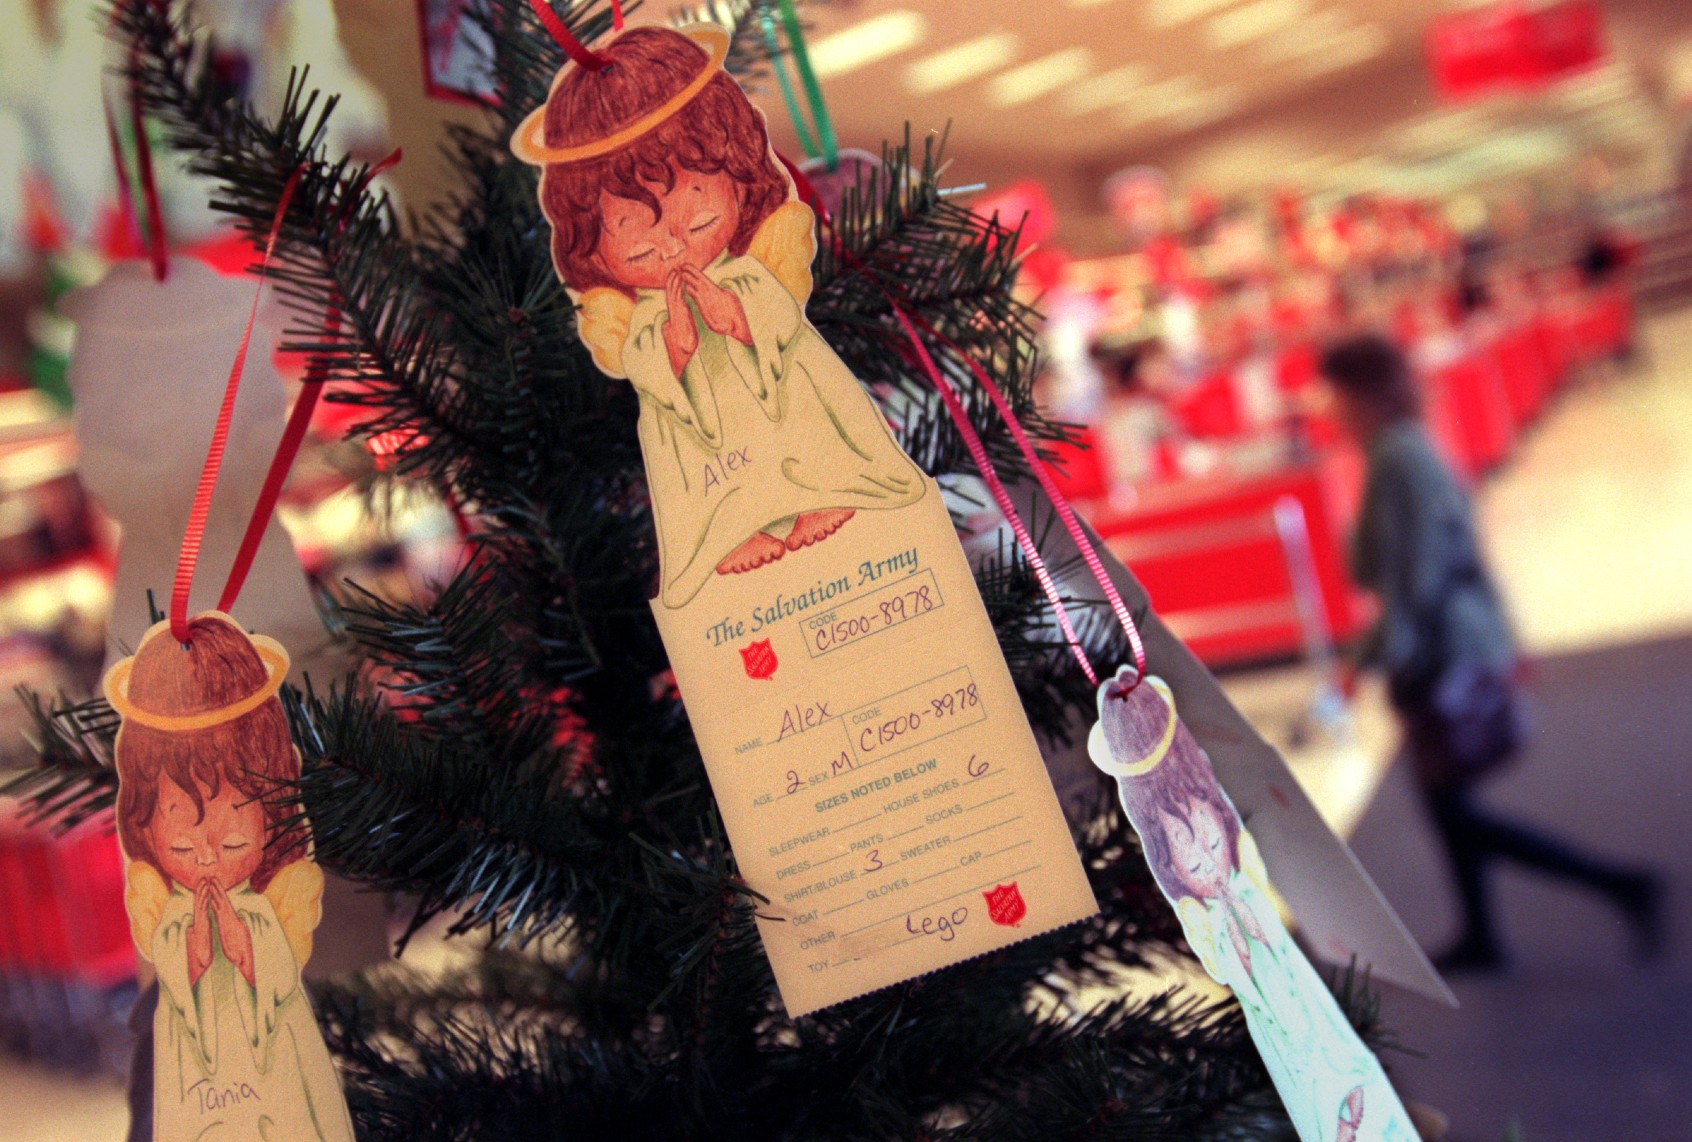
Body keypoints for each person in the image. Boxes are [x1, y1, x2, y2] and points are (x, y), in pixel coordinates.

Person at [513, 25, 924, 609]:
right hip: (693, 429)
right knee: (699, 477)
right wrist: (674, 341)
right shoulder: (632, 314)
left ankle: (826, 493)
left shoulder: (752, 269)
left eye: (696, 204)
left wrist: (733, 312)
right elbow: (636, 358)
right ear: (588, 237)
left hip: (776, 377)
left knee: (804, 419)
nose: (671, 238)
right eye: (630, 225)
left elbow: (777, 313)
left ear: (739, 176)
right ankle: (733, 534)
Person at [1321, 333, 1662, 973]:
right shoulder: (1397, 451)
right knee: (1449, 806)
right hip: (1448, 642)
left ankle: (1619, 884)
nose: (1328, 408)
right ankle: (1487, 932)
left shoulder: (1398, 458)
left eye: (1335, 394)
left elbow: (1415, 582)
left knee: (1453, 808)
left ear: (1361, 393)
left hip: (1441, 650)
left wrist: (1360, 662)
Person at [1091, 669, 1415, 1141]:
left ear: (1222, 824)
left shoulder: (1245, 882)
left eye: (1206, 833)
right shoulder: (1204, 919)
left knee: (1347, 1064)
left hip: (1305, 997)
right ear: (1166, 858)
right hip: (1280, 1026)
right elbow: (1236, 972)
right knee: (1317, 1090)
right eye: (1184, 845)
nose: (1203, 855)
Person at [109, 612, 354, 1140]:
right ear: (145, 831)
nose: (205, 857)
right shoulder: (170, 910)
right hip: (197, 1080)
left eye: (235, 841)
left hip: (276, 1062)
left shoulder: (274, 899)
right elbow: (168, 963)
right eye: (179, 844)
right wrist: (190, 956)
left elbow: (282, 974)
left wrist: (250, 949)